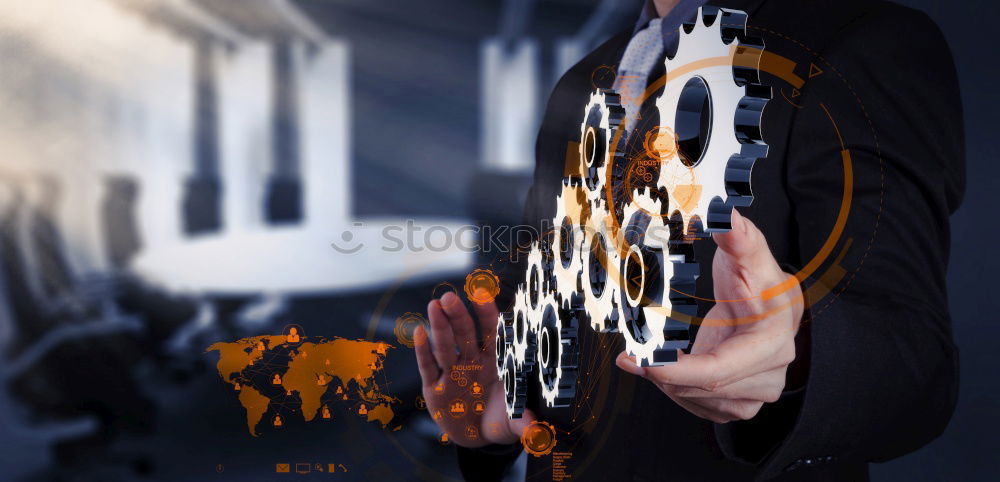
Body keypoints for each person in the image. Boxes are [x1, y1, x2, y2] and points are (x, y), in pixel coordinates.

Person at [414, 0, 963, 480]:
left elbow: (915, 367)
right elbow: (556, 300)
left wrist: (796, 355)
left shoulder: (863, 41)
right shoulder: (584, 80)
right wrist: (507, 393)